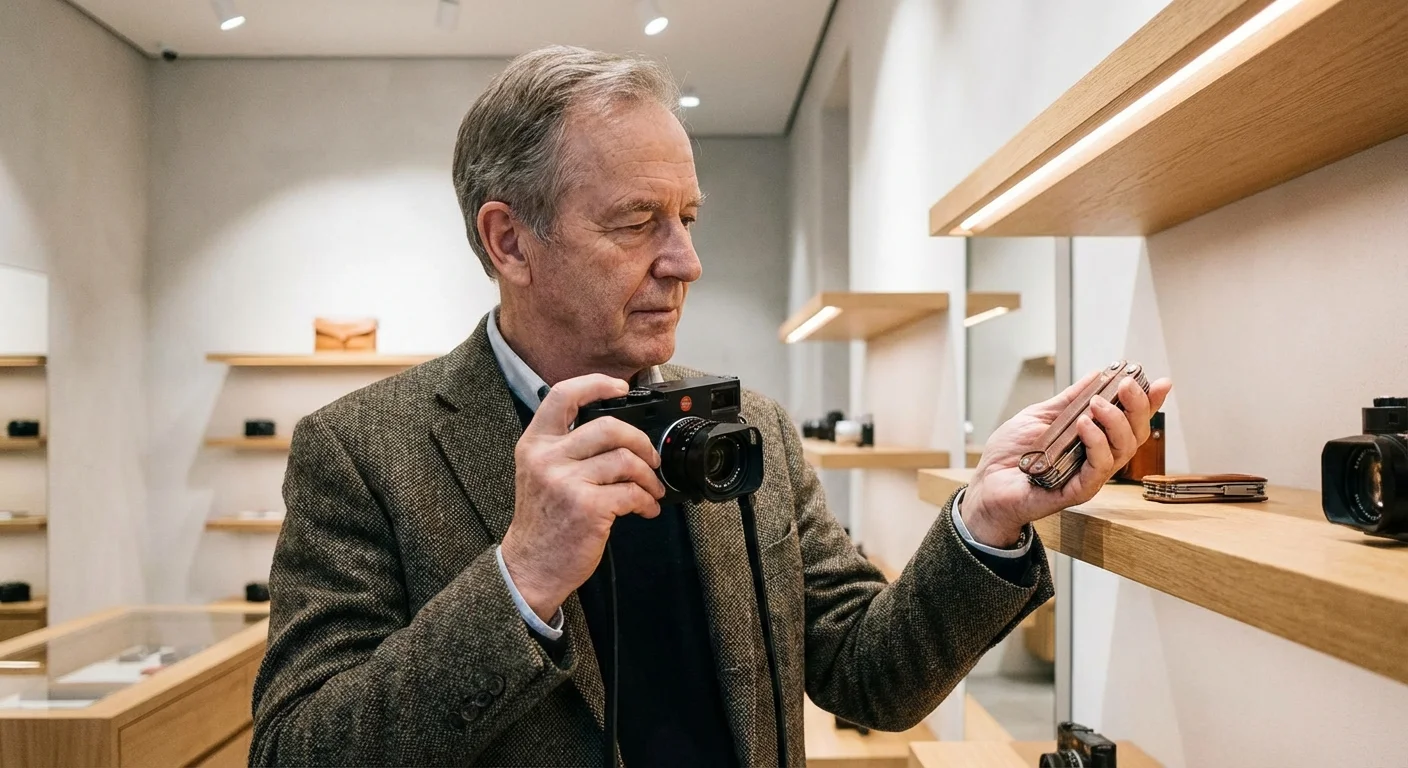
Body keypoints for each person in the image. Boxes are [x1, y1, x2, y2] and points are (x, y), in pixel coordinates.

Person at [248, 45, 1172, 767]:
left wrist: (986, 517)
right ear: (510, 241)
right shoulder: (362, 451)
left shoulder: (751, 430)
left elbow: (870, 677)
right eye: (636, 221)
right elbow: (297, 753)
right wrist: (520, 579)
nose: (685, 260)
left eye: (688, 217)